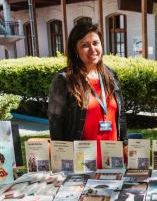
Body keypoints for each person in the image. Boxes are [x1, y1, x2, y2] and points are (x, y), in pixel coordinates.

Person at [47, 22, 128, 169]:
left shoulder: (110, 76)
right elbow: (55, 124)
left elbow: (120, 115)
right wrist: (63, 162)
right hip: (82, 164)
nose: (92, 49)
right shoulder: (64, 80)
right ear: (75, 50)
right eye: (85, 45)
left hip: (112, 161)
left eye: (95, 43)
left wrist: (125, 145)